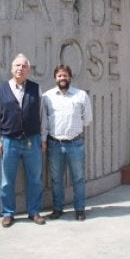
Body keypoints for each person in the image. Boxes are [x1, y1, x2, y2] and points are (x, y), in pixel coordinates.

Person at [0, 53, 46, 228]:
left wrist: (43, 138)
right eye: (17, 66)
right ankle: (8, 213)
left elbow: (43, 115)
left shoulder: (36, 89)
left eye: (24, 66)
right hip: (9, 141)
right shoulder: (1, 90)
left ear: (28, 70)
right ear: (12, 69)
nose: (20, 69)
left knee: (35, 179)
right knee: (7, 180)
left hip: (32, 141)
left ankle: (34, 212)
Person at [41, 64, 92, 221]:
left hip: (75, 144)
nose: (62, 78)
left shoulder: (81, 95)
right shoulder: (47, 97)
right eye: (59, 76)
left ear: (70, 77)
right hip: (55, 144)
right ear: (55, 78)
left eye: (65, 75)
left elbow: (88, 119)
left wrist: (73, 129)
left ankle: (80, 209)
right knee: (56, 179)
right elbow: (44, 121)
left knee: (78, 178)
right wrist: (44, 140)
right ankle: (58, 209)